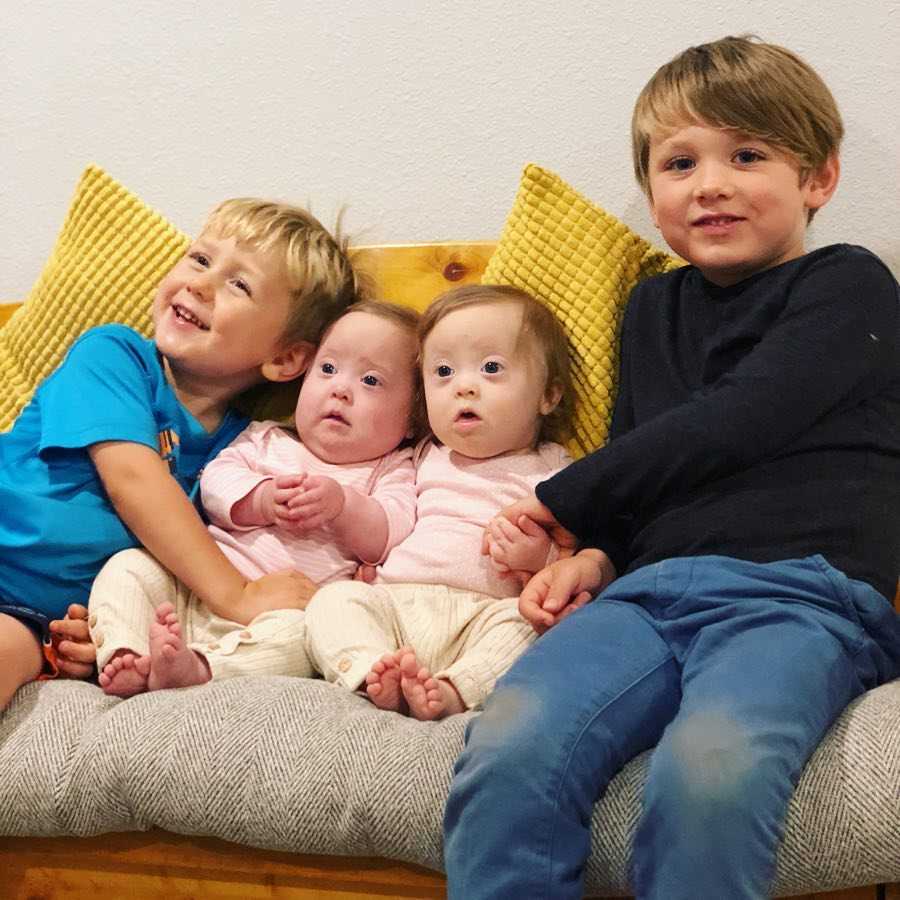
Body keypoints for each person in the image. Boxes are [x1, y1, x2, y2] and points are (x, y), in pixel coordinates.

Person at [443, 35, 900, 899]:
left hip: (800, 598)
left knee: (711, 772)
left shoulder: (851, 285)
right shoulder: (652, 306)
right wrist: (597, 550)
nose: (711, 183)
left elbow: (739, 418)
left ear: (820, 179)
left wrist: (559, 502)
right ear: (654, 197)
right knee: (509, 741)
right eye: (680, 162)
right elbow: (645, 448)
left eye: (748, 154)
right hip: (646, 597)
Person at [0, 197, 363, 711]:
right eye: (200, 259)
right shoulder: (115, 355)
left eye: (239, 284)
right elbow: (133, 481)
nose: (200, 283)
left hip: (28, 617)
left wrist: (96, 629)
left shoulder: (245, 454)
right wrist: (237, 596)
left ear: (284, 358)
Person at [88, 301, 420, 696]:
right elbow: (215, 483)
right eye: (327, 369)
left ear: (412, 419)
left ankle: (199, 668)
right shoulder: (266, 438)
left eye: (370, 381)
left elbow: (393, 529)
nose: (340, 390)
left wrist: (343, 506)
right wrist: (260, 499)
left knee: (305, 634)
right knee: (129, 567)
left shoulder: (392, 469)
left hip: (283, 613)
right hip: (197, 590)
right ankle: (127, 651)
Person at [302, 283, 575, 720]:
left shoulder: (554, 468)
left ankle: (453, 689)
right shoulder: (422, 455)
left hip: (485, 614)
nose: (463, 387)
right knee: (333, 601)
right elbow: (392, 518)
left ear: (548, 395)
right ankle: (374, 670)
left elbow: (570, 560)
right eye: (443, 373)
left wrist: (538, 558)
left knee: (528, 629)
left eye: (490, 368)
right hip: (400, 601)